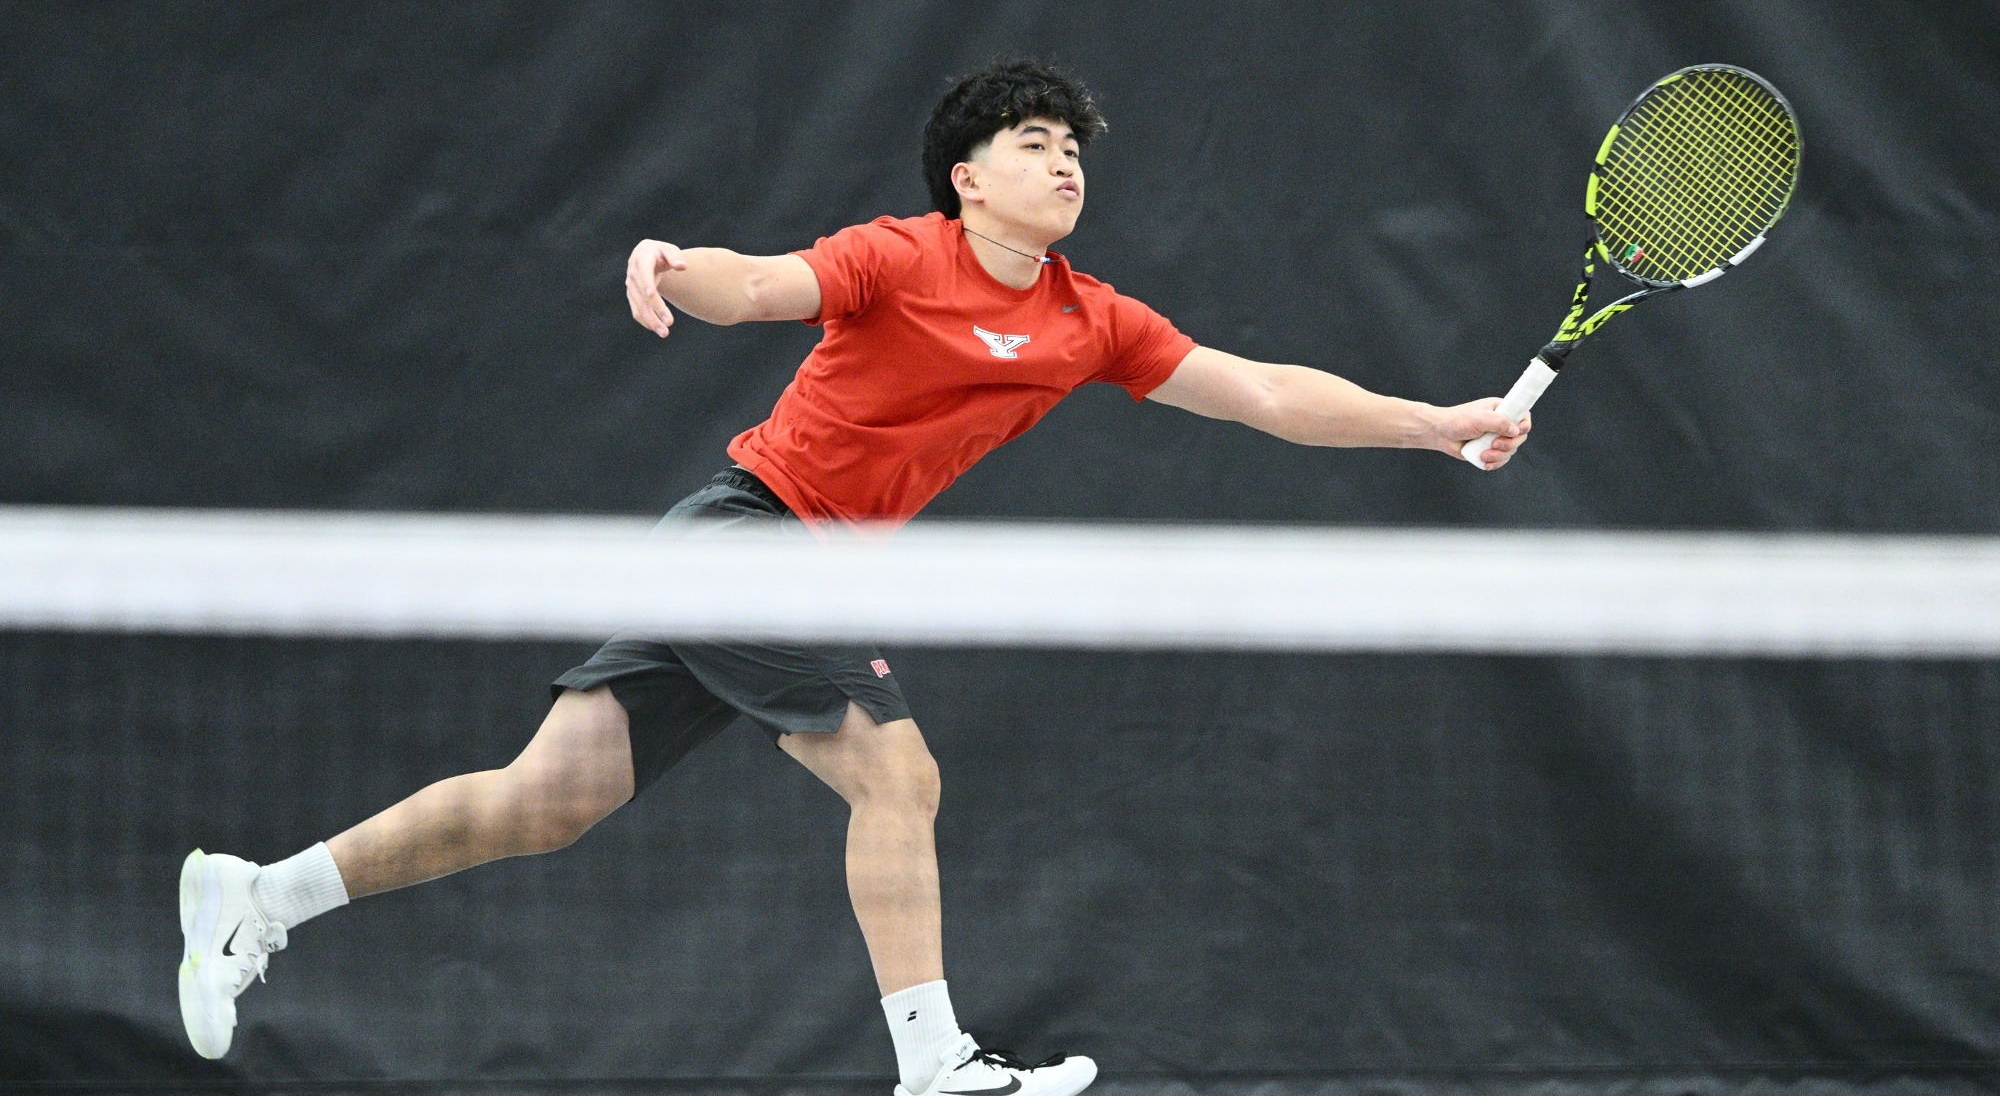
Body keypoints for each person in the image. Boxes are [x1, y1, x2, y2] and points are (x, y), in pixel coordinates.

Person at [178, 58, 1529, 1096]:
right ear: (968, 180)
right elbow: (759, 285)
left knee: (548, 801)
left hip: (756, 560)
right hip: (755, 536)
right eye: (1033, 145)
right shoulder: (899, 256)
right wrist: (671, 264)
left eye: (1073, 151)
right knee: (899, 774)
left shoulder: (1088, 320)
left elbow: (1271, 395)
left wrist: (1437, 419)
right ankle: (934, 1063)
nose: (1063, 167)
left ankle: (263, 894)